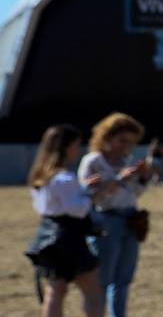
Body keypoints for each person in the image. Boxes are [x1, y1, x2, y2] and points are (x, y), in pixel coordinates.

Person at [25, 124, 106, 317]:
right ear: (66, 147)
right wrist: (96, 194)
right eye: (76, 145)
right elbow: (77, 210)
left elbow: (58, 203)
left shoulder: (41, 177)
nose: (78, 150)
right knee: (94, 293)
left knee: (55, 291)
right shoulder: (65, 177)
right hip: (69, 237)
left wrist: (83, 188)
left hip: (48, 235)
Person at [80, 112, 149, 317]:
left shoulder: (128, 160)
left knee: (124, 278)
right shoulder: (93, 161)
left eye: (131, 142)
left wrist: (143, 179)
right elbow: (90, 197)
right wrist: (120, 178)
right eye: (122, 140)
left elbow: (135, 193)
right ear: (107, 137)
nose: (126, 146)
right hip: (106, 220)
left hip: (130, 218)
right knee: (103, 278)